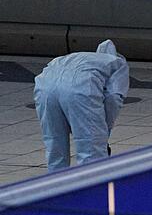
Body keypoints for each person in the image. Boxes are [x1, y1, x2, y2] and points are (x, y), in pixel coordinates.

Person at [33, 40, 130, 172]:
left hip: (45, 86)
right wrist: (103, 129)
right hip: (79, 87)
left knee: (55, 145)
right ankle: (92, 189)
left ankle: (56, 186)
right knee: (91, 150)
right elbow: (113, 97)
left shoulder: (83, 58)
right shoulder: (118, 64)